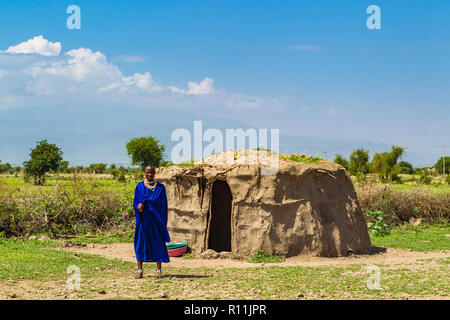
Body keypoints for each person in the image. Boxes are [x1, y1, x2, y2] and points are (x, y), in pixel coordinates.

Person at [133, 165, 170, 279]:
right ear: (144, 172)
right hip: (143, 220)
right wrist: (138, 207)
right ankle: (140, 271)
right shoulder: (139, 186)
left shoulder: (160, 188)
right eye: (147, 172)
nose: (149, 174)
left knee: (158, 243)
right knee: (140, 243)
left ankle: (158, 270)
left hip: (156, 220)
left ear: (155, 173)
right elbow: (136, 202)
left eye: (152, 172)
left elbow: (163, 205)